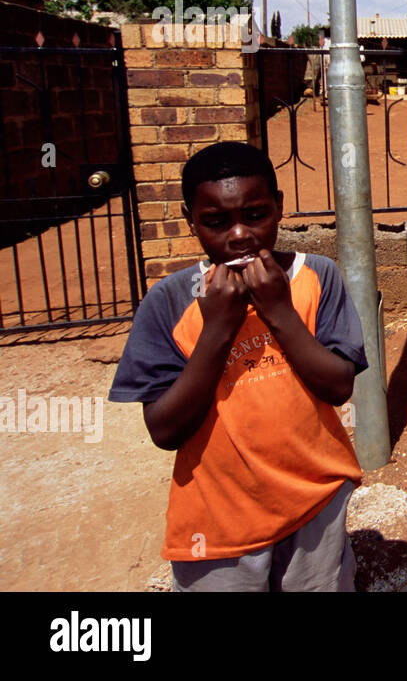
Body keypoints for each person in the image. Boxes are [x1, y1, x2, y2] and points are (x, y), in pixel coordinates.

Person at [108, 141, 367, 591]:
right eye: (216, 221)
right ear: (191, 220)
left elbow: (338, 385)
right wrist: (217, 331)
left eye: (254, 215)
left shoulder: (316, 277)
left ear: (279, 208)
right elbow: (165, 430)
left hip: (315, 503)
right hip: (220, 523)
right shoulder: (169, 302)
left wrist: (280, 313)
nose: (240, 235)